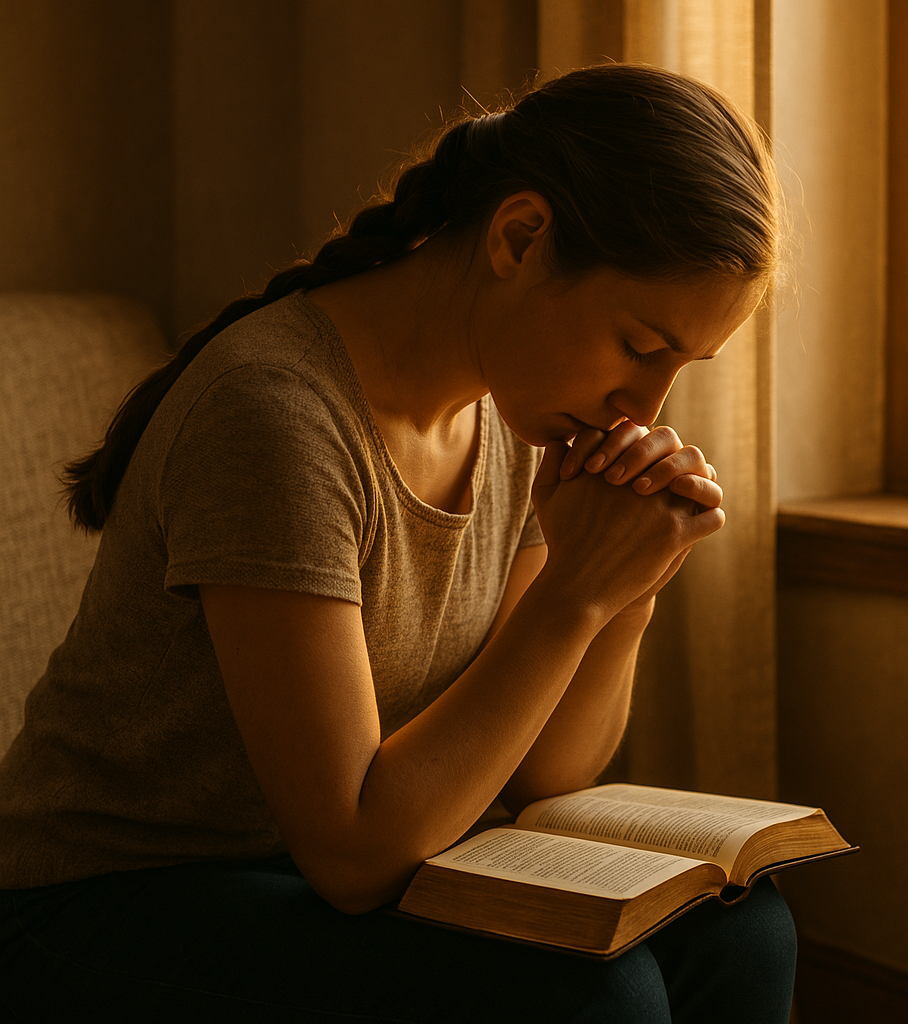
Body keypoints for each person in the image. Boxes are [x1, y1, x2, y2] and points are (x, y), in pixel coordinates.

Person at [0, 64, 796, 1022]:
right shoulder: (275, 413)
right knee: (593, 998)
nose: (647, 407)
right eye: (639, 346)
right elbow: (353, 855)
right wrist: (574, 594)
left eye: (681, 367)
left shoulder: (523, 413)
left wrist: (630, 585)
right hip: (101, 899)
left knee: (744, 929)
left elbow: (544, 774)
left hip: (302, 872)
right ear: (520, 238)